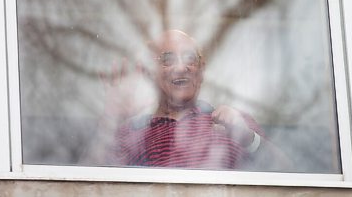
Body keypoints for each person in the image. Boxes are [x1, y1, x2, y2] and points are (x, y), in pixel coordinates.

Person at [103, 30, 282, 170]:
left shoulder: (234, 124)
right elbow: (93, 184)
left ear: (201, 70)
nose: (181, 67)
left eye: (190, 58)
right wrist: (111, 116)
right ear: (152, 72)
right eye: (167, 59)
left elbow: (287, 174)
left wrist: (248, 138)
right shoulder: (133, 132)